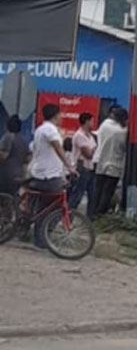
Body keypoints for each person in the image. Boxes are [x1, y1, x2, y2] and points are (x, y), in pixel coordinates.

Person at [30, 104, 78, 247]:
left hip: (40, 173)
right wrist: (69, 167)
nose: (62, 117)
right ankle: (44, 237)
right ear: (56, 115)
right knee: (57, 207)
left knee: (44, 208)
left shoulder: (40, 129)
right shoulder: (51, 130)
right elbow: (58, 147)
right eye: (60, 115)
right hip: (48, 176)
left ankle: (38, 237)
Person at [92, 106, 127, 216]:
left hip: (100, 161)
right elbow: (124, 146)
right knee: (107, 192)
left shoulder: (105, 125)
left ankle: (93, 213)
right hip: (114, 164)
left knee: (97, 191)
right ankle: (100, 214)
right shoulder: (121, 131)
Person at [68, 113, 97, 216]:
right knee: (77, 194)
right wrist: (95, 150)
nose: (93, 123)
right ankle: (68, 216)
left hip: (90, 167)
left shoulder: (90, 136)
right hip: (81, 167)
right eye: (92, 121)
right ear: (87, 121)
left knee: (93, 195)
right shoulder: (79, 135)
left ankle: (90, 217)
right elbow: (88, 154)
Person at [0, 115, 30, 196]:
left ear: (7, 126)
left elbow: (3, 156)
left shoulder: (7, 137)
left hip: (5, 176)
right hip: (19, 175)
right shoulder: (24, 141)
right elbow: (27, 159)